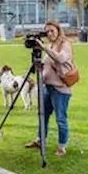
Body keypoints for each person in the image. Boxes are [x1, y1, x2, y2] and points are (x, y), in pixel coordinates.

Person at [25, 20, 74, 156]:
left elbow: (61, 59)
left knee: (60, 119)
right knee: (43, 116)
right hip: (47, 87)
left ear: (58, 30)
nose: (50, 33)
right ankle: (40, 140)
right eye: (47, 31)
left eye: (53, 30)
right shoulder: (51, 45)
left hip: (60, 89)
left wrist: (44, 48)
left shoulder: (65, 45)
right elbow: (45, 66)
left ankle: (62, 146)